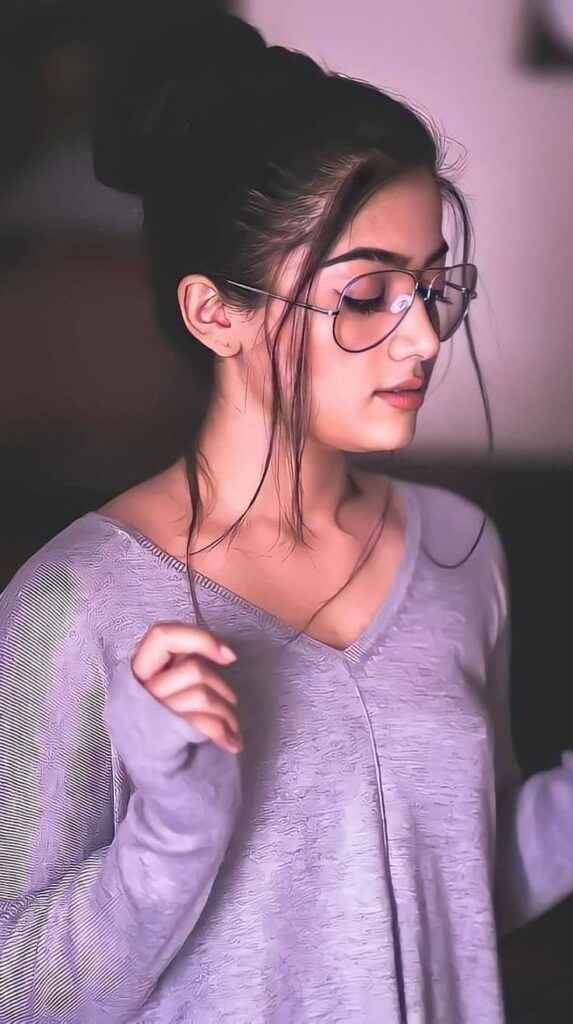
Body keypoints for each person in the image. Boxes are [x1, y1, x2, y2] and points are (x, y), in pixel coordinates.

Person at [1, 11, 571, 1024]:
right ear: (215, 312)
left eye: (432, 285)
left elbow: (454, 886)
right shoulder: (73, 600)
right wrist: (172, 830)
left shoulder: (460, 551)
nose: (423, 337)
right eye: (367, 295)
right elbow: (18, 990)